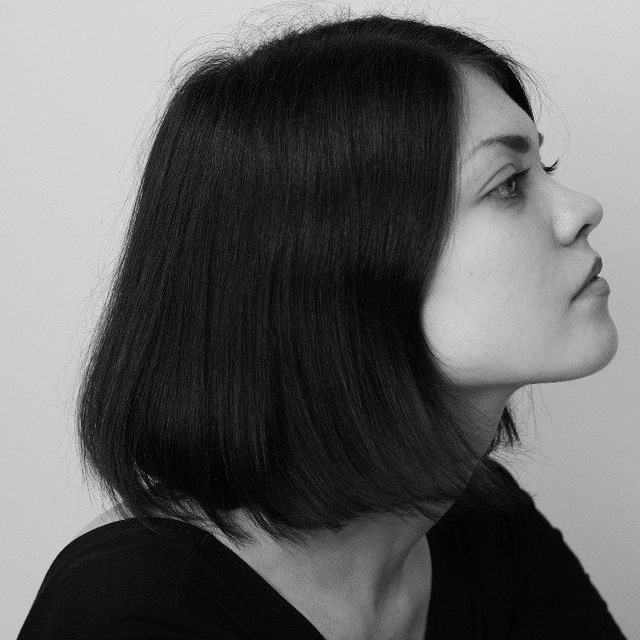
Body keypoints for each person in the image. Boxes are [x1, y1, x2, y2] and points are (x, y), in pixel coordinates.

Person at [18, 10, 625, 640]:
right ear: (335, 264)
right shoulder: (135, 615)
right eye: (508, 184)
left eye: (546, 169)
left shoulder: (486, 529)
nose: (582, 209)